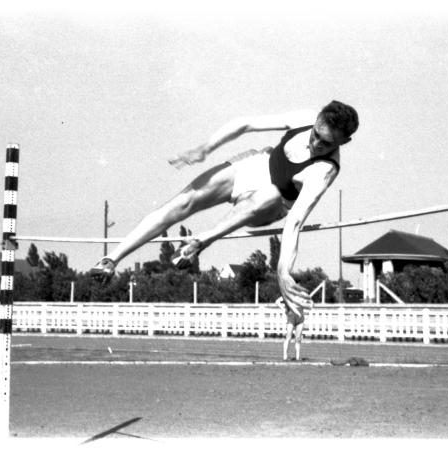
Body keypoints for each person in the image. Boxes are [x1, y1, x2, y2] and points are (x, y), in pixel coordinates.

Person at [90, 100, 359, 315]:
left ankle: (203, 239)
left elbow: (296, 222)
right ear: (316, 122)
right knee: (183, 202)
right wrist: (205, 148)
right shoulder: (306, 118)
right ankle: (111, 259)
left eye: (326, 143)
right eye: (315, 135)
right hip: (256, 165)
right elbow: (247, 124)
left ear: (343, 143)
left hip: (271, 204)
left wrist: (282, 271)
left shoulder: (324, 170)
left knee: (268, 195)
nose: (315, 144)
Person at [277, 296, 306, 361]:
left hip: (300, 317)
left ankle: (297, 357)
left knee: (298, 338)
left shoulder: (302, 295)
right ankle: (285, 356)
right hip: (291, 317)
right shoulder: (287, 294)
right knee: (288, 337)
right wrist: (284, 309)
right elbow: (277, 302)